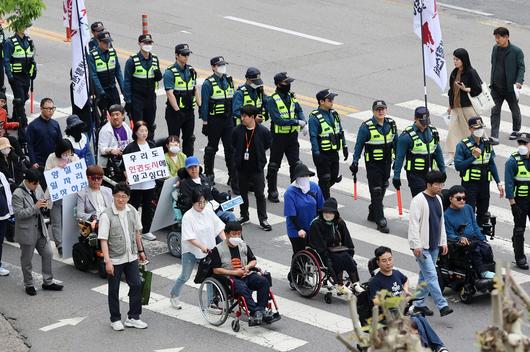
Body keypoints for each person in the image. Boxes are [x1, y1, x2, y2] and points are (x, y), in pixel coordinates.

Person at [368, 246, 449, 352]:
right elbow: (375, 303)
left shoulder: (396, 273)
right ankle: (427, 347)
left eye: (390, 259)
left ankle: (439, 347)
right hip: (389, 315)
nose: (388, 263)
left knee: (420, 317)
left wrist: (405, 290)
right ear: (378, 263)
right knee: (415, 320)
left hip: (402, 312)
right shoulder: (375, 281)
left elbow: (405, 280)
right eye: (384, 261)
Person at [98, 182, 148, 331]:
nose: (121, 199)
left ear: (128, 198)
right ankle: (115, 319)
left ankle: (133, 317)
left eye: (124, 197)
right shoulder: (106, 215)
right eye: (118, 196)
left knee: (137, 285)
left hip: (131, 256)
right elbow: (103, 240)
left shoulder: (132, 210)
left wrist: (140, 251)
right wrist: (107, 261)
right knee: (114, 289)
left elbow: (137, 233)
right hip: (114, 258)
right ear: (113, 196)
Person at [170, 189, 226, 309]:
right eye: (198, 203)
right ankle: (174, 294)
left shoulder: (208, 211)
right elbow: (189, 237)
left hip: (208, 249)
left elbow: (219, 227)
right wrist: (201, 246)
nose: (201, 205)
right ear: (193, 202)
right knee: (185, 275)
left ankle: (211, 303)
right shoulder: (188, 217)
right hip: (191, 250)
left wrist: (226, 241)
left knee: (210, 275)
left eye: (203, 202)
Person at [210, 221, 275, 325]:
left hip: (246, 274)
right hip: (230, 278)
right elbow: (216, 270)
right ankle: (255, 311)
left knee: (263, 281)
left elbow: (253, 260)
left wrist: (247, 267)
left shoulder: (243, 245)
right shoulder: (218, 250)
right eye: (234, 234)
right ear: (226, 234)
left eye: (238, 234)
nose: (237, 236)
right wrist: (235, 272)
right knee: (242, 287)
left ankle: (261, 309)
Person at [408, 171, 452, 317]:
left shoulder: (439, 199)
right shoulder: (418, 200)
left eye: (442, 184)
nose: (440, 187)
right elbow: (413, 225)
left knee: (424, 276)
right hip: (422, 247)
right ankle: (442, 305)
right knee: (432, 276)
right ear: (429, 185)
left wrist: (443, 241)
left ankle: (418, 304)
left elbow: (441, 222)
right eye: (437, 184)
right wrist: (416, 245)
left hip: (434, 245)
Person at [12, 168, 64, 296]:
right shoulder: (18, 194)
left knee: (48, 253)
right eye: (34, 184)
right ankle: (29, 284)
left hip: (40, 229)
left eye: (37, 183)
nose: (36, 187)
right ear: (27, 181)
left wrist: (44, 205)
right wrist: (36, 207)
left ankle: (48, 281)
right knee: (27, 260)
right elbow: (19, 214)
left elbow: (41, 200)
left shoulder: (37, 186)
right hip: (27, 232)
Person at [351, 100, 397, 233]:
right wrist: (355, 161)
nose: (380, 111)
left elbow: (396, 142)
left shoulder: (391, 124)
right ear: (373, 111)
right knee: (376, 190)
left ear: (386, 110)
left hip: (387, 163)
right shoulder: (366, 127)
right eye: (378, 109)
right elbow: (359, 145)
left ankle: (373, 211)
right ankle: (380, 220)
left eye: (383, 109)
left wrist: (398, 161)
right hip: (373, 164)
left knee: (383, 186)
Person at [307, 197, 364, 295]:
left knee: (347, 258)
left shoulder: (339, 222)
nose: (328, 214)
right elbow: (317, 243)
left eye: (330, 212)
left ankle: (355, 283)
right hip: (322, 250)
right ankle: (339, 285)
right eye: (326, 212)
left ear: (335, 214)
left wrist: (350, 250)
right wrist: (327, 251)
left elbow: (347, 238)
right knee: (337, 260)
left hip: (337, 248)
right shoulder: (316, 224)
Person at [454, 116, 503, 225]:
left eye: (481, 128)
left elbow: (491, 163)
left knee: (483, 211)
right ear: (470, 129)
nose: (479, 130)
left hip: (485, 184)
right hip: (470, 185)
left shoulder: (487, 144)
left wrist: (498, 183)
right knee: (469, 211)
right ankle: (469, 234)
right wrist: (473, 157)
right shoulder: (463, 145)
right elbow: (458, 166)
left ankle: (480, 233)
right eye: (476, 128)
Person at [266, 72, 306, 203]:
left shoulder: (291, 96)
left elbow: (299, 109)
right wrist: (296, 122)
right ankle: (272, 191)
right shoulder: (272, 100)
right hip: (278, 138)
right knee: (274, 165)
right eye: (286, 83)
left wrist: (303, 122)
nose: (288, 85)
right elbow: (277, 120)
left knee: (296, 164)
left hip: (292, 137)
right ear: (278, 84)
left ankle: (295, 191)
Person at [232, 105, 272, 231]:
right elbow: (233, 144)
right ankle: (244, 215)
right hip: (242, 168)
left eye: (245, 116)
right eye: (242, 116)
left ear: (253, 117)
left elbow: (267, 144)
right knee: (242, 194)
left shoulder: (263, 131)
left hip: (257, 169)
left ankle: (263, 219)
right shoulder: (237, 131)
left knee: (260, 194)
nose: (242, 118)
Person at [444, 185, 495, 279]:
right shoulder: (446, 215)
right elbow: (449, 233)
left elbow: (474, 225)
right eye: (459, 198)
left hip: (473, 238)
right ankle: (482, 272)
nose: (462, 201)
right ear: (451, 199)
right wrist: (459, 238)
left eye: (464, 198)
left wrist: (482, 238)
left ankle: (489, 270)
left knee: (486, 248)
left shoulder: (468, 208)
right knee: (474, 249)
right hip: (461, 243)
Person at [393, 107, 445, 197]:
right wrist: (396, 176)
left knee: (433, 200)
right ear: (415, 119)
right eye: (422, 122)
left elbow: (438, 152)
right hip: (415, 175)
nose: (425, 125)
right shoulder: (406, 136)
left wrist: (443, 170)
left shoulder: (433, 132)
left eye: (426, 122)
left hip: (431, 174)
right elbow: (399, 157)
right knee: (421, 200)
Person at [201, 56, 235, 184]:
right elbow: (204, 105)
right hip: (214, 120)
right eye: (219, 65)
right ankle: (209, 174)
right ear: (213, 67)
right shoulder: (208, 83)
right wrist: (205, 122)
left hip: (228, 120)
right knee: (211, 148)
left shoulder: (229, 80)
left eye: (223, 65)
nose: (222, 67)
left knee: (230, 149)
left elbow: (233, 100)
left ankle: (232, 176)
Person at [308, 89, 347, 199]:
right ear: (321, 102)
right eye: (329, 100)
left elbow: (340, 130)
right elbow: (313, 137)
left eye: (332, 99)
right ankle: (325, 204)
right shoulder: (314, 118)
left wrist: (344, 146)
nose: (332, 102)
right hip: (322, 153)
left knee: (333, 177)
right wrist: (316, 153)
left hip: (333, 152)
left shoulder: (334, 114)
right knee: (325, 178)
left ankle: (317, 195)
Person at [446, 48, 483, 163]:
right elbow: (451, 90)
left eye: (457, 59)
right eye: (454, 59)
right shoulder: (454, 72)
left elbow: (478, 89)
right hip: (456, 107)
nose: (455, 61)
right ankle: (451, 154)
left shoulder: (471, 72)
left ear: (463, 60)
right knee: (452, 130)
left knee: (473, 130)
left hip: (467, 107)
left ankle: (482, 149)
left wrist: (466, 89)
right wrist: (450, 105)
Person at [489, 27, 525, 144]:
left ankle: (515, 130)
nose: (496, 40)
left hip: (510, 88)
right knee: (495, 110)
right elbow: (493, 64)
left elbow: (521, 68)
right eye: (495, 37)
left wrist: (519, 81)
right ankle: (494, 136)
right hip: (496, 87)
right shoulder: (495, 49)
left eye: (499, 38)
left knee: (514, 109)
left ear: (506, 37)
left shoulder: (516, 51)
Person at [122, 121, 156, 241]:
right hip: (136, 185)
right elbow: (124, 166)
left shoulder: (152, 145)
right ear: (136, 132)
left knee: (148, 207)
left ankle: (146, 230)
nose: (144, 133)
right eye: (141, 131)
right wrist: (127, 177)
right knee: (133, 207)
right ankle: (131, 229)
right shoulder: (130, 148)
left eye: (145, 131)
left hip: (149, 183)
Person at [45, 139, 80, 255]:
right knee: (56, 220)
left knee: (70, 219)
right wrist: (58, 169)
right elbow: (47, 173)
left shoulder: (74, 158)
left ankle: (72, 242)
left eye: (69, 151)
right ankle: (59, 244)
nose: (67, 154)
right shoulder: (51, 157)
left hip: (70, 194)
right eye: (65, 152)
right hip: (56, 194)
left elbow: (79, 173)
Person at [123, 34, 162, 138]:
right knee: (139, 126)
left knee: (150, 125)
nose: (147, 45)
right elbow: (127, 81)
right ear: (139, 44)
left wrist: (158, 74)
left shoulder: (154, 59)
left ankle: (150, 145)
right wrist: (128, 100)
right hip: (137, 99)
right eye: (145, 43)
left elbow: (157, 78)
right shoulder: (132, 61)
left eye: (149, 43)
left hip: (150, 98)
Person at [164, 44, 199, 157]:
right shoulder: (170, 72)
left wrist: (200, 106)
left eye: (187, 54)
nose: (186, 57)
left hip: (189, 111)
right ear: (176, 55)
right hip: (175, 113)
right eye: (183, 54)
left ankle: (188, 165)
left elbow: (195, 89)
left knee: (189, 139)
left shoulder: (191, 70)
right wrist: (178, 111)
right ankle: (174, 166)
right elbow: (170, 94)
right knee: (174, 141)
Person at [177, 155, 236, 223]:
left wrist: (226, 196)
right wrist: (200, 202)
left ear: (199, 167)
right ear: (186, 169)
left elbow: (214, 192)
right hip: (203, 213)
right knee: (219, 225)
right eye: (190, 167)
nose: (193, 170)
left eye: (195, 166)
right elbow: (186, 202)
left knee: (232, 218)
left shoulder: (204, 178)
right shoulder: (185, 184)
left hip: (216, 209)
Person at [3, 24, 36, 145]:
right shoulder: (10, 42)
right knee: (20, 101)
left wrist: (34, 70)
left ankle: (15, 122)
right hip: (16, 77)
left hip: (26, 76)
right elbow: (6, 60)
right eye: (25, 26)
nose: (26, 28)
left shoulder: (28, 41)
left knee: (23, 98)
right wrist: (10, 76)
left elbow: (32, 58)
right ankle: (23, 131)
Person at [284, 163, 324, 255]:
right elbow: (291, 214)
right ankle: (295, 269)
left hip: (312, 227)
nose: (304, 178)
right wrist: (299, 229)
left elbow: (321, 207)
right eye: (302, 176)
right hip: (296, 230)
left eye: (306, 176)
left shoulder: (314, 187)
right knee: (299, 254)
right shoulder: (290, 193)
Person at [504, 132, 530, 270]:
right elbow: (509, 184)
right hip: (520, 201)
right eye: (520, 143)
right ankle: (520, 257)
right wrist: (513, 204)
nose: (522, 146)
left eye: (525, 143)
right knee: (519, 229)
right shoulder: (512, 161)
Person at [88, 31, 124, 115]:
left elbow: (118, 71)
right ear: (99, 42)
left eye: (109, 42)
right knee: (105, 118)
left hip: (113, 89)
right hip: (102, 91)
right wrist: (101, 92)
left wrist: (123, 89)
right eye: (105, 42)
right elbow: (93, 75)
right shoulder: (93, 55)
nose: (108, 44)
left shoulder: (112, 52)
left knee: (118, 114)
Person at [26, 98, 62, 172]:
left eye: (52, 108)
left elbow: (60, 142)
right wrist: (33, 162)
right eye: (48, 108)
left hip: (54, 161)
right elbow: (30, 145)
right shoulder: (33, 126)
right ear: (41, 108)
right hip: (40, 163)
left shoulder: (55, 124)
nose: (51, 111)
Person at [97, 104, 132, 177]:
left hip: (126, 160)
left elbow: (131, 141)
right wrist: (111, 150)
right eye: (112, 115)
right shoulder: (105, 130)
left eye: (117, 114)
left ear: (122, 116)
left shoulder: (125, 126)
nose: (115, 117)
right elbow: (101, 149)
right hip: (111, 163)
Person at [0, 170, 12, 276]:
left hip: (3, 215)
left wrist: (10, 211)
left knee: (0, 241)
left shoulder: (1, 175)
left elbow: (7, 193)